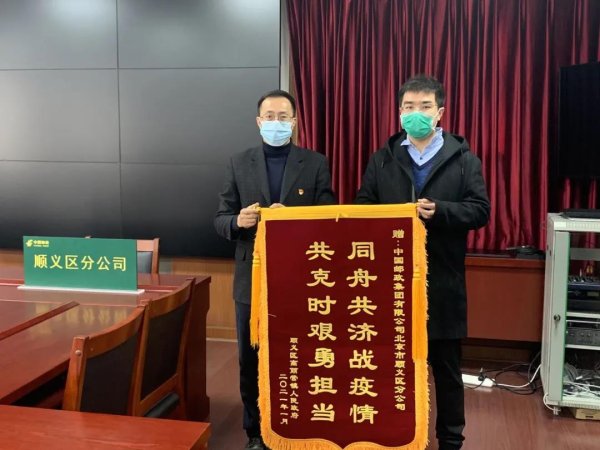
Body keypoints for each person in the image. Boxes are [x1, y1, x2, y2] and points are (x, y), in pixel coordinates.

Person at [355, 75, 490, 450]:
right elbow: (363, 206)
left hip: (443, 280)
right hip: (391, 281)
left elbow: (480, 211)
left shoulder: (464, 160)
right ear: (399, 112)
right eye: (409, 107)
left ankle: (450, 439)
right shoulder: (383, 159)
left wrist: (441, 211)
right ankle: (393, 435)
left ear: (440, 112)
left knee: (446, 368)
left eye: (425, 107)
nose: (417, 114)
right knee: (391, 366)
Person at [214, 89, 335, 450]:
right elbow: (220, 219)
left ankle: (300, 426)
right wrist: (238, 221)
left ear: (295, 122)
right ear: (258, 122)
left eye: (284, 117)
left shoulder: (315, 163)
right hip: (250, 280)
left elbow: (331, 218)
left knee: (299, 354)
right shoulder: (238, 163)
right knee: (250, 360)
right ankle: (256, 433)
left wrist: (294, 218)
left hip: (301, 278)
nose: (276, 123)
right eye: (270, 117)